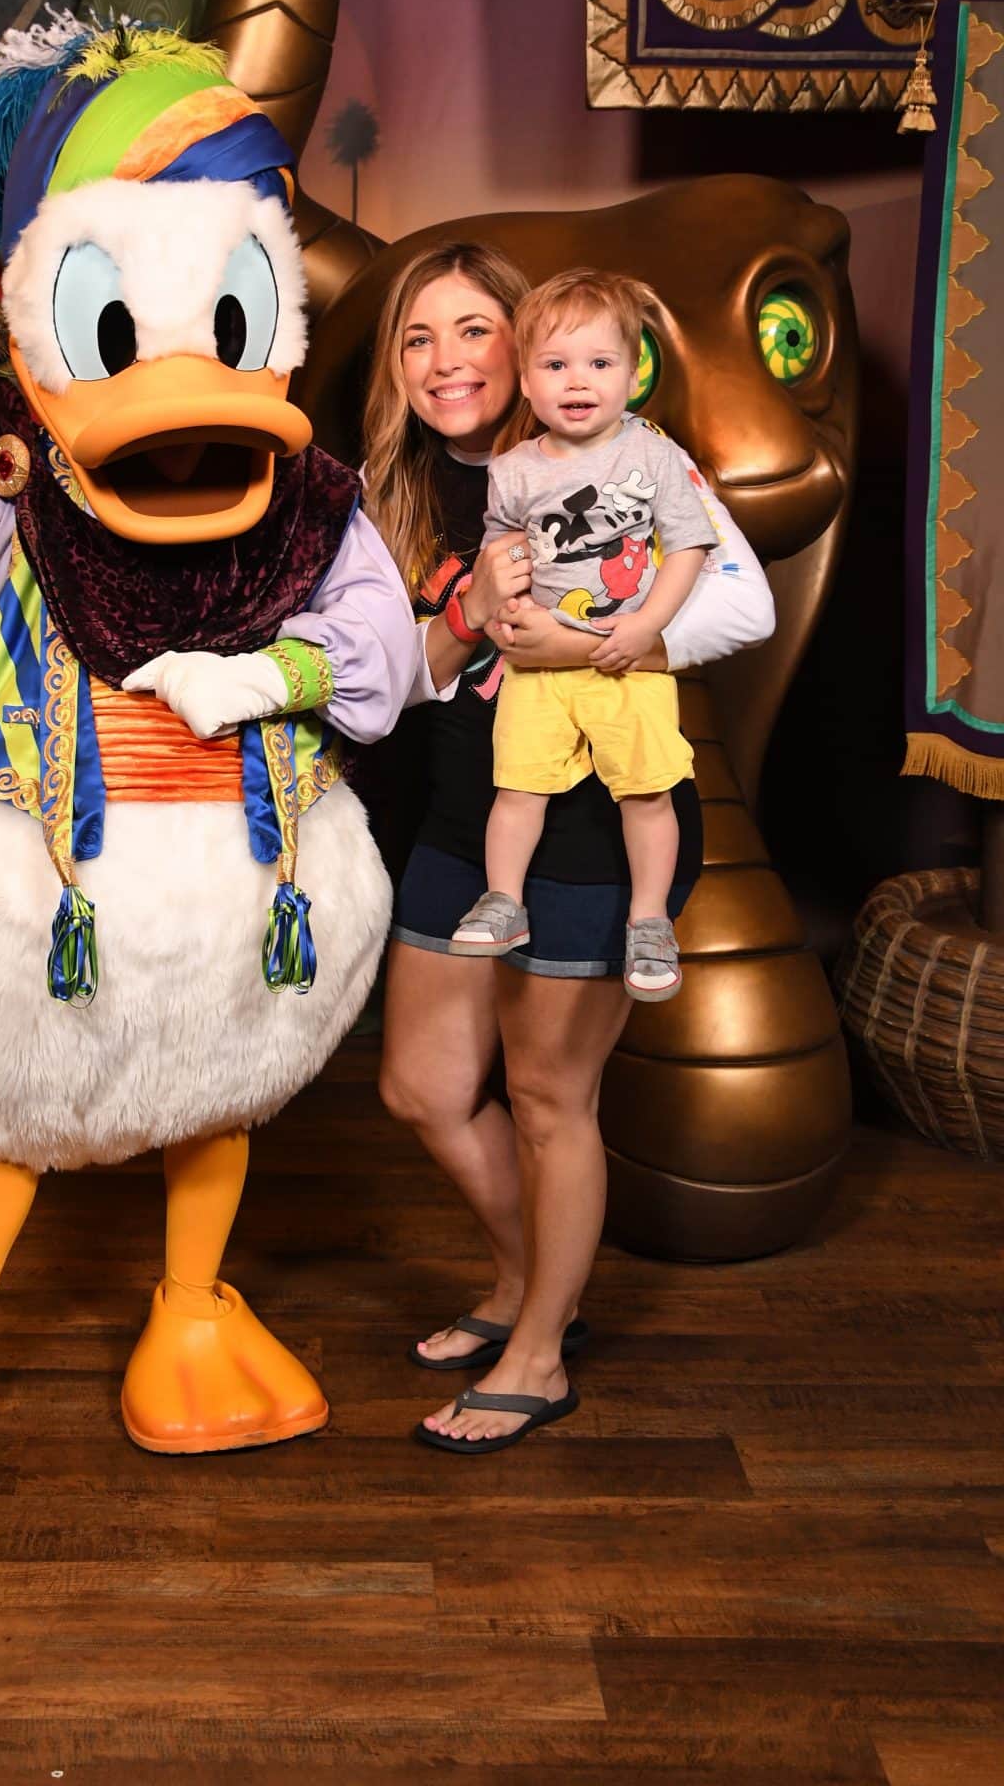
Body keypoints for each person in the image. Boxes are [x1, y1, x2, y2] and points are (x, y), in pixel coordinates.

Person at [360, 241, 775, 1451]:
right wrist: (470, 617)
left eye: (474, 331)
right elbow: (395, 688)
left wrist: (596, 645)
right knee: (424, 1087)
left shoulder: (633, 457)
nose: (448, 362)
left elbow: (742, 602)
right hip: (467, 813)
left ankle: (539, 1351)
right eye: (418, 338)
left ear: (533, 344)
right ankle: (523, 1281)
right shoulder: (393, 488)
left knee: (547, 1094)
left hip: (601, 821)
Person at [449, 268, 720, 1005]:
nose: (578, 381)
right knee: (517, 790)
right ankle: (504, 902)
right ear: (527, 384)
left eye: (600, 364)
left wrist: (646, 627)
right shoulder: (512, 471)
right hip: (536, 671)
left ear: (632, 378)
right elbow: (499, 551)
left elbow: (690, 546)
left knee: (647, 793)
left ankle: (649, 919)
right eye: (556, 365)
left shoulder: (654, 455)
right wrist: (496, 608)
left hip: (625, 667)